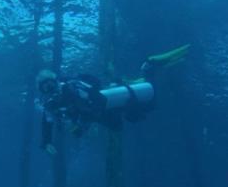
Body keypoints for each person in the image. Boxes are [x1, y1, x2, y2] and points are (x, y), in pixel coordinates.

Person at [37, 44, 190, 155]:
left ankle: (149, 65)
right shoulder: (51, 105)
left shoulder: (71, 87)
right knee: (130, 118)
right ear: (43, 91)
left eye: (51, 84)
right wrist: (46, 142)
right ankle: (151, 73)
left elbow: (95, 99)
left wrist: (82, 123)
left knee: (143, 97)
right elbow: (47, 122)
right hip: (103, 112)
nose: (50, 89)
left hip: (105, 103)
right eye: (46, 88)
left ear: (56, 80)